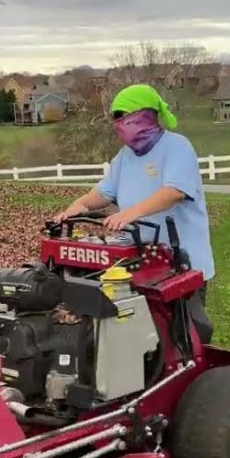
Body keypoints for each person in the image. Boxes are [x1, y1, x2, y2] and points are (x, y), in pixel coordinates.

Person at [53, 84, 214, 305]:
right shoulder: (123, 157)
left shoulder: (177, 147)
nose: (120, 125)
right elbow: (102, 192)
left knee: (181, 333)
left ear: (147, 116)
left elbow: (174, 192)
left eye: (125, 118)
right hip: (138, 262)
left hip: (181, 263)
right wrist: (78, 207)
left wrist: (130, 214)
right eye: (116, 119)